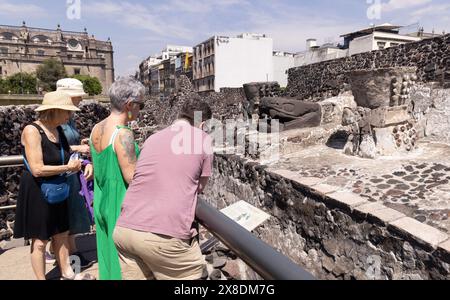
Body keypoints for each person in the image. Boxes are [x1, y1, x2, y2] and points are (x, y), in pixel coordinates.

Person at [113, 98, 213, 280]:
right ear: (202, 123)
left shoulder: (153, 138)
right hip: (163, 235)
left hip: (125, 230)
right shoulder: (202, 138)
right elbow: (199, 187)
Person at [13, 91, 95, 280]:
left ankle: (67, 272)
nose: (70, 116)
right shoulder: (32, 130)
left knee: (62, 233)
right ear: (54, 110)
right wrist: (68, 167)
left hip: (58, 186)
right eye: (67, 112)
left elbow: (67, 153)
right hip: (37, 190)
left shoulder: (58, 130)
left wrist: (84, 163)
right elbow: (37, 169)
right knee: (40, 241)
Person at [89, 77, 145, 280]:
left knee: (107, 257)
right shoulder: (123, 135)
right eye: (141, 104)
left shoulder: (96, 128)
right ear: (129, 104)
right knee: (124, 264)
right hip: (119, 203)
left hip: (102, 200)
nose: (141, 110)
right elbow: (132, 178)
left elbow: (99, 167)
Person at [44, 79, 95, 269]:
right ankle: (70, 260)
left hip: (71, 171)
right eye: (78, 96)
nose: (81, 99)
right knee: (66, 219)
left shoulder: (68, 116)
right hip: (63, 173)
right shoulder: (59, 118)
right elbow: (57, 146)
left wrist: (82, 155)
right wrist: (80, 149)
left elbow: (64, 143)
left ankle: (69, 256)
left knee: (71, 217)